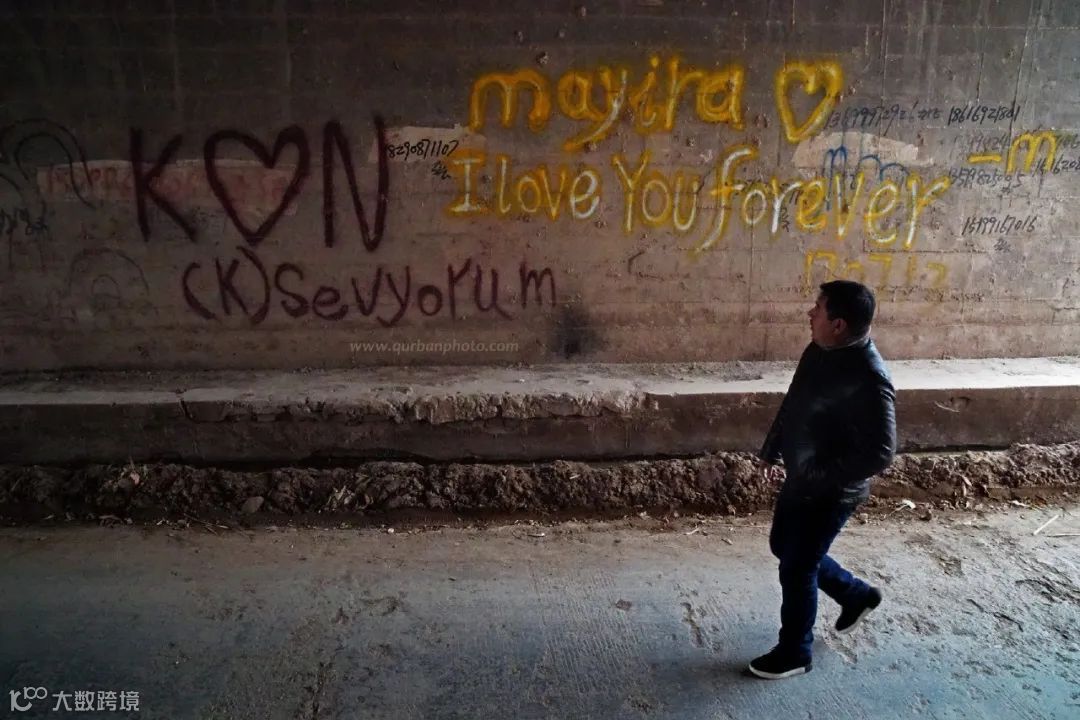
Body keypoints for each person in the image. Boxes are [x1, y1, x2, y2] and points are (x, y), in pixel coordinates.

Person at [748, 280, 897, 680]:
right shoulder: (817, 350)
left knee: (797, 566)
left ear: (838, 324)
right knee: (783, 546)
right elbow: (793, 402)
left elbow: (882, 451)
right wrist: (770, 450)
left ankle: (795, 651)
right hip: (802, 478)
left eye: (818, 308)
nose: (810, 313)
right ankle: (856, 594)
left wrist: (820, 476)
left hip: (831, 493)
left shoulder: (870, 377)